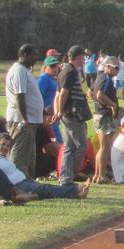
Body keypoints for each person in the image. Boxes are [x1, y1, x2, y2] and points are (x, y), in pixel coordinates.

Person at [0, 132, 89, 200]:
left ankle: (76, 193)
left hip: (23, 181)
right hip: (16, 186)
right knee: (45, 189)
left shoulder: (4, 157)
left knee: (44, 190)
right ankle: (77, 190)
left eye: (8, 145)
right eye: (2, 144)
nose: (5, 148)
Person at [54, 46, 93, 185]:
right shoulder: (69, 72)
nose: (84, 59)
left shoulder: (68, 71)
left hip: (70, 114)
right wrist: (59, 111)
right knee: (82, 146)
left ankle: (65, 179)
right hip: (72, 114)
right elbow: (62, 94)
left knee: (69, 147)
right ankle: (70, 174)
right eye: (83, 56)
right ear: (78, 57)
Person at [5, 44, 44, 180]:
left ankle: (27, 184)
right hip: (21, 120)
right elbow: (19, 96)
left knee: (29, 156)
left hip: (31, 120)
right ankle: (15, 185)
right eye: (34, 55)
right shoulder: (19, 70)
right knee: (19, 156)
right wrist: (25, 119)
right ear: (25, 54)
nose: (36, 58)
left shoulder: (25, 70)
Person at [92, 57, 123, 182]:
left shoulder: (100, 77)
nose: (117, 70)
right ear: (108, 67)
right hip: (104, 115)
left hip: (99, 113)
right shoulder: (106, 79)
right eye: (115, 67)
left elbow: (91, 92)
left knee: (102, 147)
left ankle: (97, 174)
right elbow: (99, 95)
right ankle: (101, 176)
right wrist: (112, 105)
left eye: (118, 68)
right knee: (105, 147)